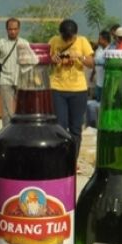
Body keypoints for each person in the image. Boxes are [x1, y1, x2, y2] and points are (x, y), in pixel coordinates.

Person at [48, 18, 95, 157]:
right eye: (65, 37)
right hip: (57, 88)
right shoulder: (54, 41)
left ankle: (72, 160)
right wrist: (52, 59)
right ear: (60, 34)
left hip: (78, 90)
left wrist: (81, 57)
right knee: (60, 127)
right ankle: (60, 158)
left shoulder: (82, 41)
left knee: (75, 128)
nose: (68, 40)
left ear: (75, 34)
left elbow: (91, 63)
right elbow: (45, 60)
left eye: (71, 38)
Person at [92, 30, 112, 101]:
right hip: (98, 82)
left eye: (99, 39)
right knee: (98, 102)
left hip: (106, 83)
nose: (98, 40)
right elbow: (94, 63)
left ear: (105, 40)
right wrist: (92, 74)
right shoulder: (98, 49)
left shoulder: (110, 50)